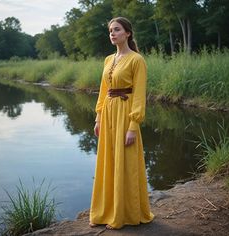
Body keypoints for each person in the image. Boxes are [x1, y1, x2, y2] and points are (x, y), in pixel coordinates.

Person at [89, 16, 154, 230]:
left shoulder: (137, 60)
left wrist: (133, 126)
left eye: (117, 30)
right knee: (108, 162)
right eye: (110, 31)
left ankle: (126, 213)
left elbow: (139, 95)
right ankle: (105, 211)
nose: (112, 34)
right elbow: (103, 91)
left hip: (125, 114)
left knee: (126, 163)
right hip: (108, 113)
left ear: (127, 33)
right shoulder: (108, 60)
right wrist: (98, 116)